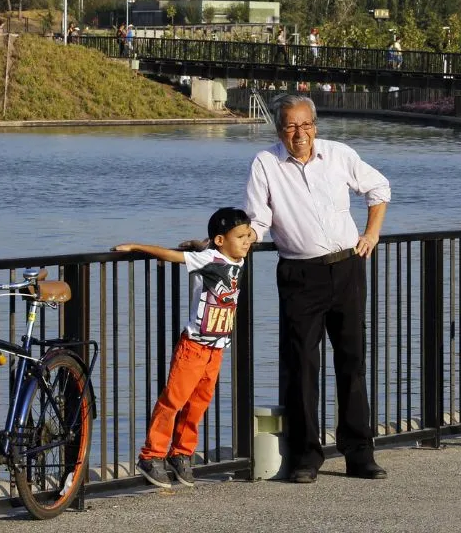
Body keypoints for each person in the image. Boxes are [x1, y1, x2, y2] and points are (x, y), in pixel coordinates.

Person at [243, 95, 390, 484]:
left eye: (306, 125)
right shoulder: (266, 163)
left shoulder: (339, 155)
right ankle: (305, 456)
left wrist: (371, 233)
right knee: (301, 368)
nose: (300, 133)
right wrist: (233, 240)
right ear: (279, 130)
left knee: (352, 363)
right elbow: (259, 220)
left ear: (316, 126)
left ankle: (360, 453)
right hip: (299, 275)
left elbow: (379, 188)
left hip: (346, 268)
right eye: (291, 126)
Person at [112, 208, 254, 489]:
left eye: (248, 235)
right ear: (221, 240)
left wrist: (201, 244)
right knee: (173, 401)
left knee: (198, 404)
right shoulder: (209, 258)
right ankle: (151, 455)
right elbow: (173, 256)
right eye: (241, 236)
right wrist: (137, 246)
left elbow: (212, 248)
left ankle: (181, 453)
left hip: (216, 348)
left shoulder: (231, 256)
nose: (248, 241)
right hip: (194, 347)